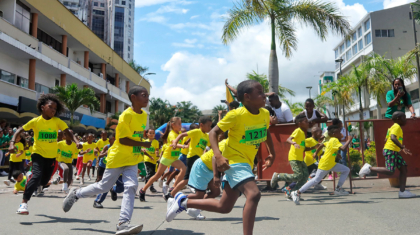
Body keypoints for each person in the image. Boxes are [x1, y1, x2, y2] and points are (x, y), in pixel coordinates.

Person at [166, 80, 276, 235]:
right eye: (259, 92)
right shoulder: (236, 115)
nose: (264, 95)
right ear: (247, 97)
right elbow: (213, 133)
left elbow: (266, 133)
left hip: (246, 163)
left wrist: (272, 153)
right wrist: (218, 156)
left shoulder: (264, 114)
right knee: (254, 194)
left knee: (224, 207)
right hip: (235, 162)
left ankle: (183, 202)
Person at [63, 85, 151, 235]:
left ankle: (123, 223)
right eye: (144, 95)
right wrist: (142, 143)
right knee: (103, 187)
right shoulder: (126, 115)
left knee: (131, 187)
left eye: (148, 95)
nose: (147, 98)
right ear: (133, 98)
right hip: (117, 158)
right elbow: (122, 139)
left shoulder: (143, 115)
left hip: (132, 159)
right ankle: (76, 194)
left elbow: (135, 136)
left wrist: (140, 147)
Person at [10, 93, 81, 215]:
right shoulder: (35, 121)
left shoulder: (57, 121)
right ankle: (23, 204)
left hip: (51, 157)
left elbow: (68, 132)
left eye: (55, 109)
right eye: (50, 107)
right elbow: (19, 131)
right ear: (43, 107)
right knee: (36, 176)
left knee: (43, 182)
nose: (53, 110)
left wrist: (76, 141)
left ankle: (32, 178)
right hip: (38, 154)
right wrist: (12, 143)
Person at [290, 125, 352, 205]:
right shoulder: (334, 140)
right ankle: (297, 192)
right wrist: (349, 139)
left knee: (346, 170)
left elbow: (322, 145)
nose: (340, 133)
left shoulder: (330, 140)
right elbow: (343, 148)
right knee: (315, 180)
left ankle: (338, 189)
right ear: (334, 133)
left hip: (331, 164)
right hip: (325, 164)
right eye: (338, 132)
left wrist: (316, 153)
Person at [359, 111, 416, 198]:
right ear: (398, 119)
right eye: (404, 118)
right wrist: (402, 147)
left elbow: (386, 139)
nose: (406, 120)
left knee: (403, 168)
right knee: (390, 171)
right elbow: (393, 138)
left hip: (393, 151)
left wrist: (399, 147)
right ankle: (369, 168)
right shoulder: (396, 127)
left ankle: (402, 192)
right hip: (391, 150)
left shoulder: (391, 127)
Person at [139, 117, 187, 202]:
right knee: (157, 175)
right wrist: (184, 146)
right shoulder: (171, 134)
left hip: (174, 158)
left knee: (184, 169)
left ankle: (172, 188)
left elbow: (183, 138)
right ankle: (143, 190)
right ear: (173, 125)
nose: (181, 125)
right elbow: (174, 143)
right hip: (167, 157)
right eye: (179, 124)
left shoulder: (179, 133)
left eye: (181, 123)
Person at [270, 114, 315, 195]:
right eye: (305, 121)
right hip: (294, 157)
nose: (308, 123)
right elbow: (288, 139)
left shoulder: (303, 133)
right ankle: (278, 176)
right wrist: (294, 143)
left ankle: (293, 192)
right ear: (300, 123)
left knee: (305, 177)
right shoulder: (298, 130)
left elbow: (303, 148)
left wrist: (314, 147)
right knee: (298, 176)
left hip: (300, 158)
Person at [185, 131, 226, 220]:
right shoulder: (225, 144)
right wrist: (216, 176)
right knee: (199, 195)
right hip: (203, 166)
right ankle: (175, 199)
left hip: (210, 169)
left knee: (216, 192)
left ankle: (195, 208)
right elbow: (214, 158)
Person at [168, 116, 212, 198]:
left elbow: (210, 146)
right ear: (201, 125)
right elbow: (182, 135)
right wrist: (175, 143)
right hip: (192, 157)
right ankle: (171, 193)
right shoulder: (196, 131)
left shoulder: (207, 136)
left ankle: (171, 193)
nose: (210, 128)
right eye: (208, 126)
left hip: (199, 158)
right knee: (187, 179)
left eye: (211, 126)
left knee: (188, 179)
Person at [143, 129, 160, 193]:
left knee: (153, 174)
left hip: (154, 160)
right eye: (150, 133)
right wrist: (149, 156)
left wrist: (157, 155)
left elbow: (157, 150)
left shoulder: (156, 142)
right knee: (150, 173)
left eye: (153, 133)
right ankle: (150, 186)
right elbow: (143, 151)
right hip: (147, 159)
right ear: (147, 134)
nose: (151, 134)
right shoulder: (145, 141)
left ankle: (148, 182)